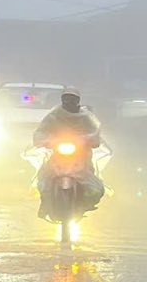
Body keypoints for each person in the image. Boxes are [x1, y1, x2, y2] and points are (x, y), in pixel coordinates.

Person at [31, 88, 105, 219]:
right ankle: (45, 203)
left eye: (72, 99)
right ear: (62, 100)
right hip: (58, 155)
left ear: (78, 101)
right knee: (44, 180)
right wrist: (45, 140)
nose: (69, 102)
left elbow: (94, 132)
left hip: (81, 157)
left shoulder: (86, 117)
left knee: (94, 188)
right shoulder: (54, 115)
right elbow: (42, 131)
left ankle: (84, 204)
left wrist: (90, 140)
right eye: (66, 99)